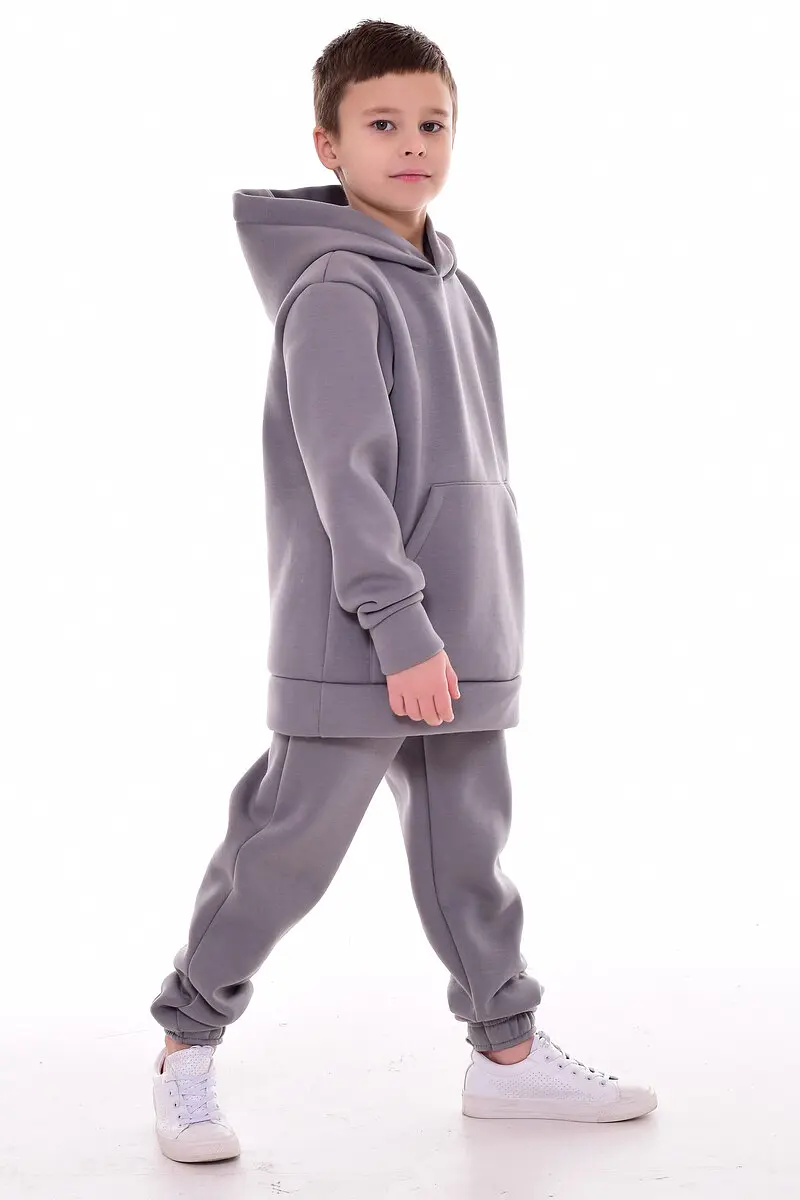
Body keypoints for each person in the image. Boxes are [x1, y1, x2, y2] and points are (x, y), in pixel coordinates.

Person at [150, 18, 658, 1163]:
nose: (413, 143)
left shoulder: (455, 289)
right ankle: (185, 1048)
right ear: (327, 145)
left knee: (468, 855)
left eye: (432, 122)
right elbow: (347, 478)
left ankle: (506, 1059)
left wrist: (467, 623)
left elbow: (470, 476)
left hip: (460, 629)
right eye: (382, 124)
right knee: (283, 851)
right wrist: (396, 624)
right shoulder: (337, 287)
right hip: (364, 635)